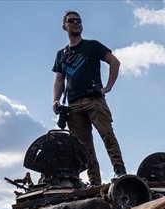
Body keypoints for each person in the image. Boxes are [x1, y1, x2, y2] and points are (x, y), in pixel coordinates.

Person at [53, 10, 127, 185]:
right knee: (83, 148)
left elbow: (114, 62)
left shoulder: (92, 46)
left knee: (107, 135)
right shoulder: (61, 54)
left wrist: (108, 87)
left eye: (79, 21)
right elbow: (59, 79)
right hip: (72, 106)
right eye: (72, 21)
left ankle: (120, 172)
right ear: (65, 26)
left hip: (94, 100)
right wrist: (56, 100)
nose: (76, 23)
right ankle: (95, 182)